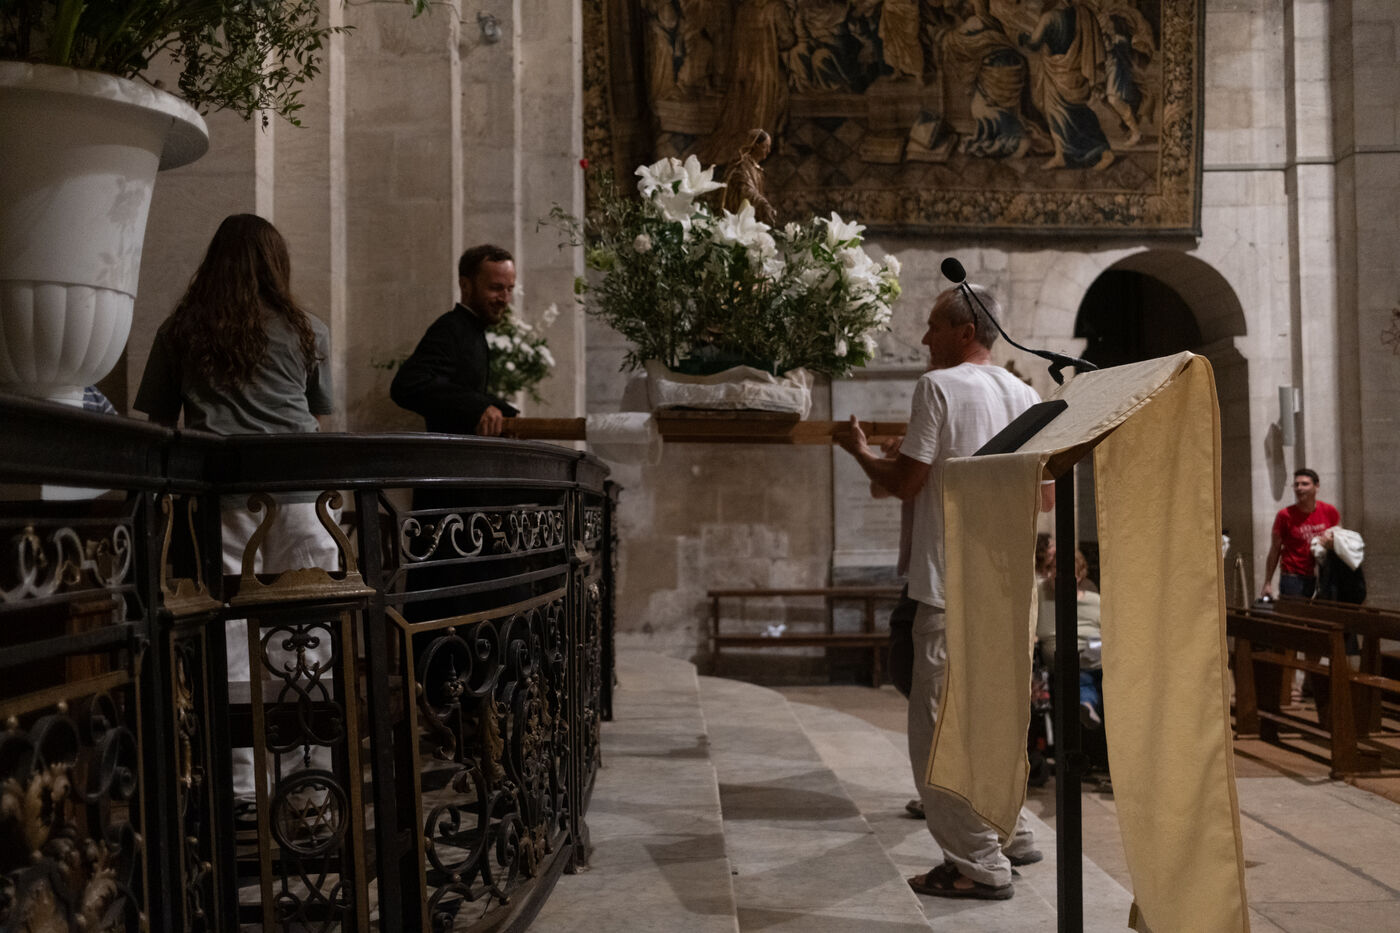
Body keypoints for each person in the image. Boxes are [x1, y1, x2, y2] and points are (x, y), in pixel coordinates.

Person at [837, 283, 1042, 901]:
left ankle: (976, 863)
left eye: (932, 326)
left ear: (964, 331)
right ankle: (1012, 831)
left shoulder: (939, 387)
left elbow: (904, 484)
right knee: (993, 720)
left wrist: (860, 452)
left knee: (936, 728)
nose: (924, 339)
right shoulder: (1029, 395)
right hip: (1007, 588)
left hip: (950, 583)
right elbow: (1046, 497)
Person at [133, 213, 339, 807]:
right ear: (277, 264)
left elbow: (157, 426)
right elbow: (319, 419)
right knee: (304, 635)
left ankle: (241, 789)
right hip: (300, 495)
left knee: (227, 634)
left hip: (219, 498)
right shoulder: (308, 331)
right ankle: (307, 787)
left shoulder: (181, 330)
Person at [391, 244, 520, 436]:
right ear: (465, 285)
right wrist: (479, 406)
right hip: (450, 452)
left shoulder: (472, 330)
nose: (505, 299)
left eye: (509, 289)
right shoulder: (450, 328)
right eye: (495, 288)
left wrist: (506, 412)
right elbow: (408, 384)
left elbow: (463, 389)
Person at [1262, 468, 1340, 599]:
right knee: (1295, 612)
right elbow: (1275, 549)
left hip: (1324, 575)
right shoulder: (1284, 515)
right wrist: (1267, 582)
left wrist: (1330, 542)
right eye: (1296, 484)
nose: (1299, 488)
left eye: (1305, 484)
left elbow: (1339, 541)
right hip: (1293, 577)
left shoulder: (1329, 511)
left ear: (1316, 486)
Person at [721, 128, 777, 224]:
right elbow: (746, 191)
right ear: (755, 145)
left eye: (769, 147)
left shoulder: (756, 168)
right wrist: (764, 205)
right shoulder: (742, 166)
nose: (768, 151)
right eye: (765, 147)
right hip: (736, 218)